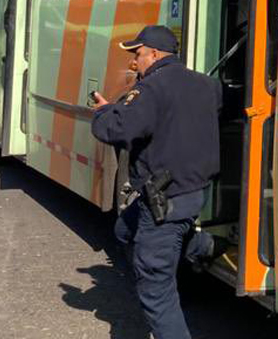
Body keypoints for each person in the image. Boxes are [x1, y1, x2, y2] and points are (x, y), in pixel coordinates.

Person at [91, 25, 220, 339]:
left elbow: (117, 129)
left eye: (138, 54)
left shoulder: (152, 88)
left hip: (164, 200)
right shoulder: (207, 84)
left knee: (155, 287)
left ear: (154, 53)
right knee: (125, 230)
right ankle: (202, 245)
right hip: (194, 193)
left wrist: (104, 111)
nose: (135, 62)